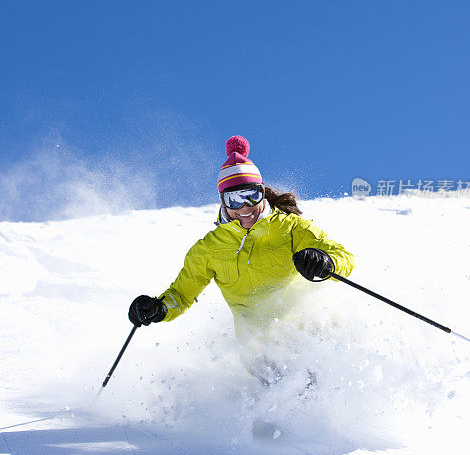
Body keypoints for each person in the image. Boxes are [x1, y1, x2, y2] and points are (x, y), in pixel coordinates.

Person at [128, 135, 355, 385]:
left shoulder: (290, 228)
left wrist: (326, 262)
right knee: (287, 392)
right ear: (223, 202)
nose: (244, 207)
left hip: (307, 334)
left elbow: (344, 257)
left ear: (262, 194)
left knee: (319, 383)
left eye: (251, 196)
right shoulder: (209, 249)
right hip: (260, 351)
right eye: (234, 200)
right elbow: (181, 295)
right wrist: (157, 309)